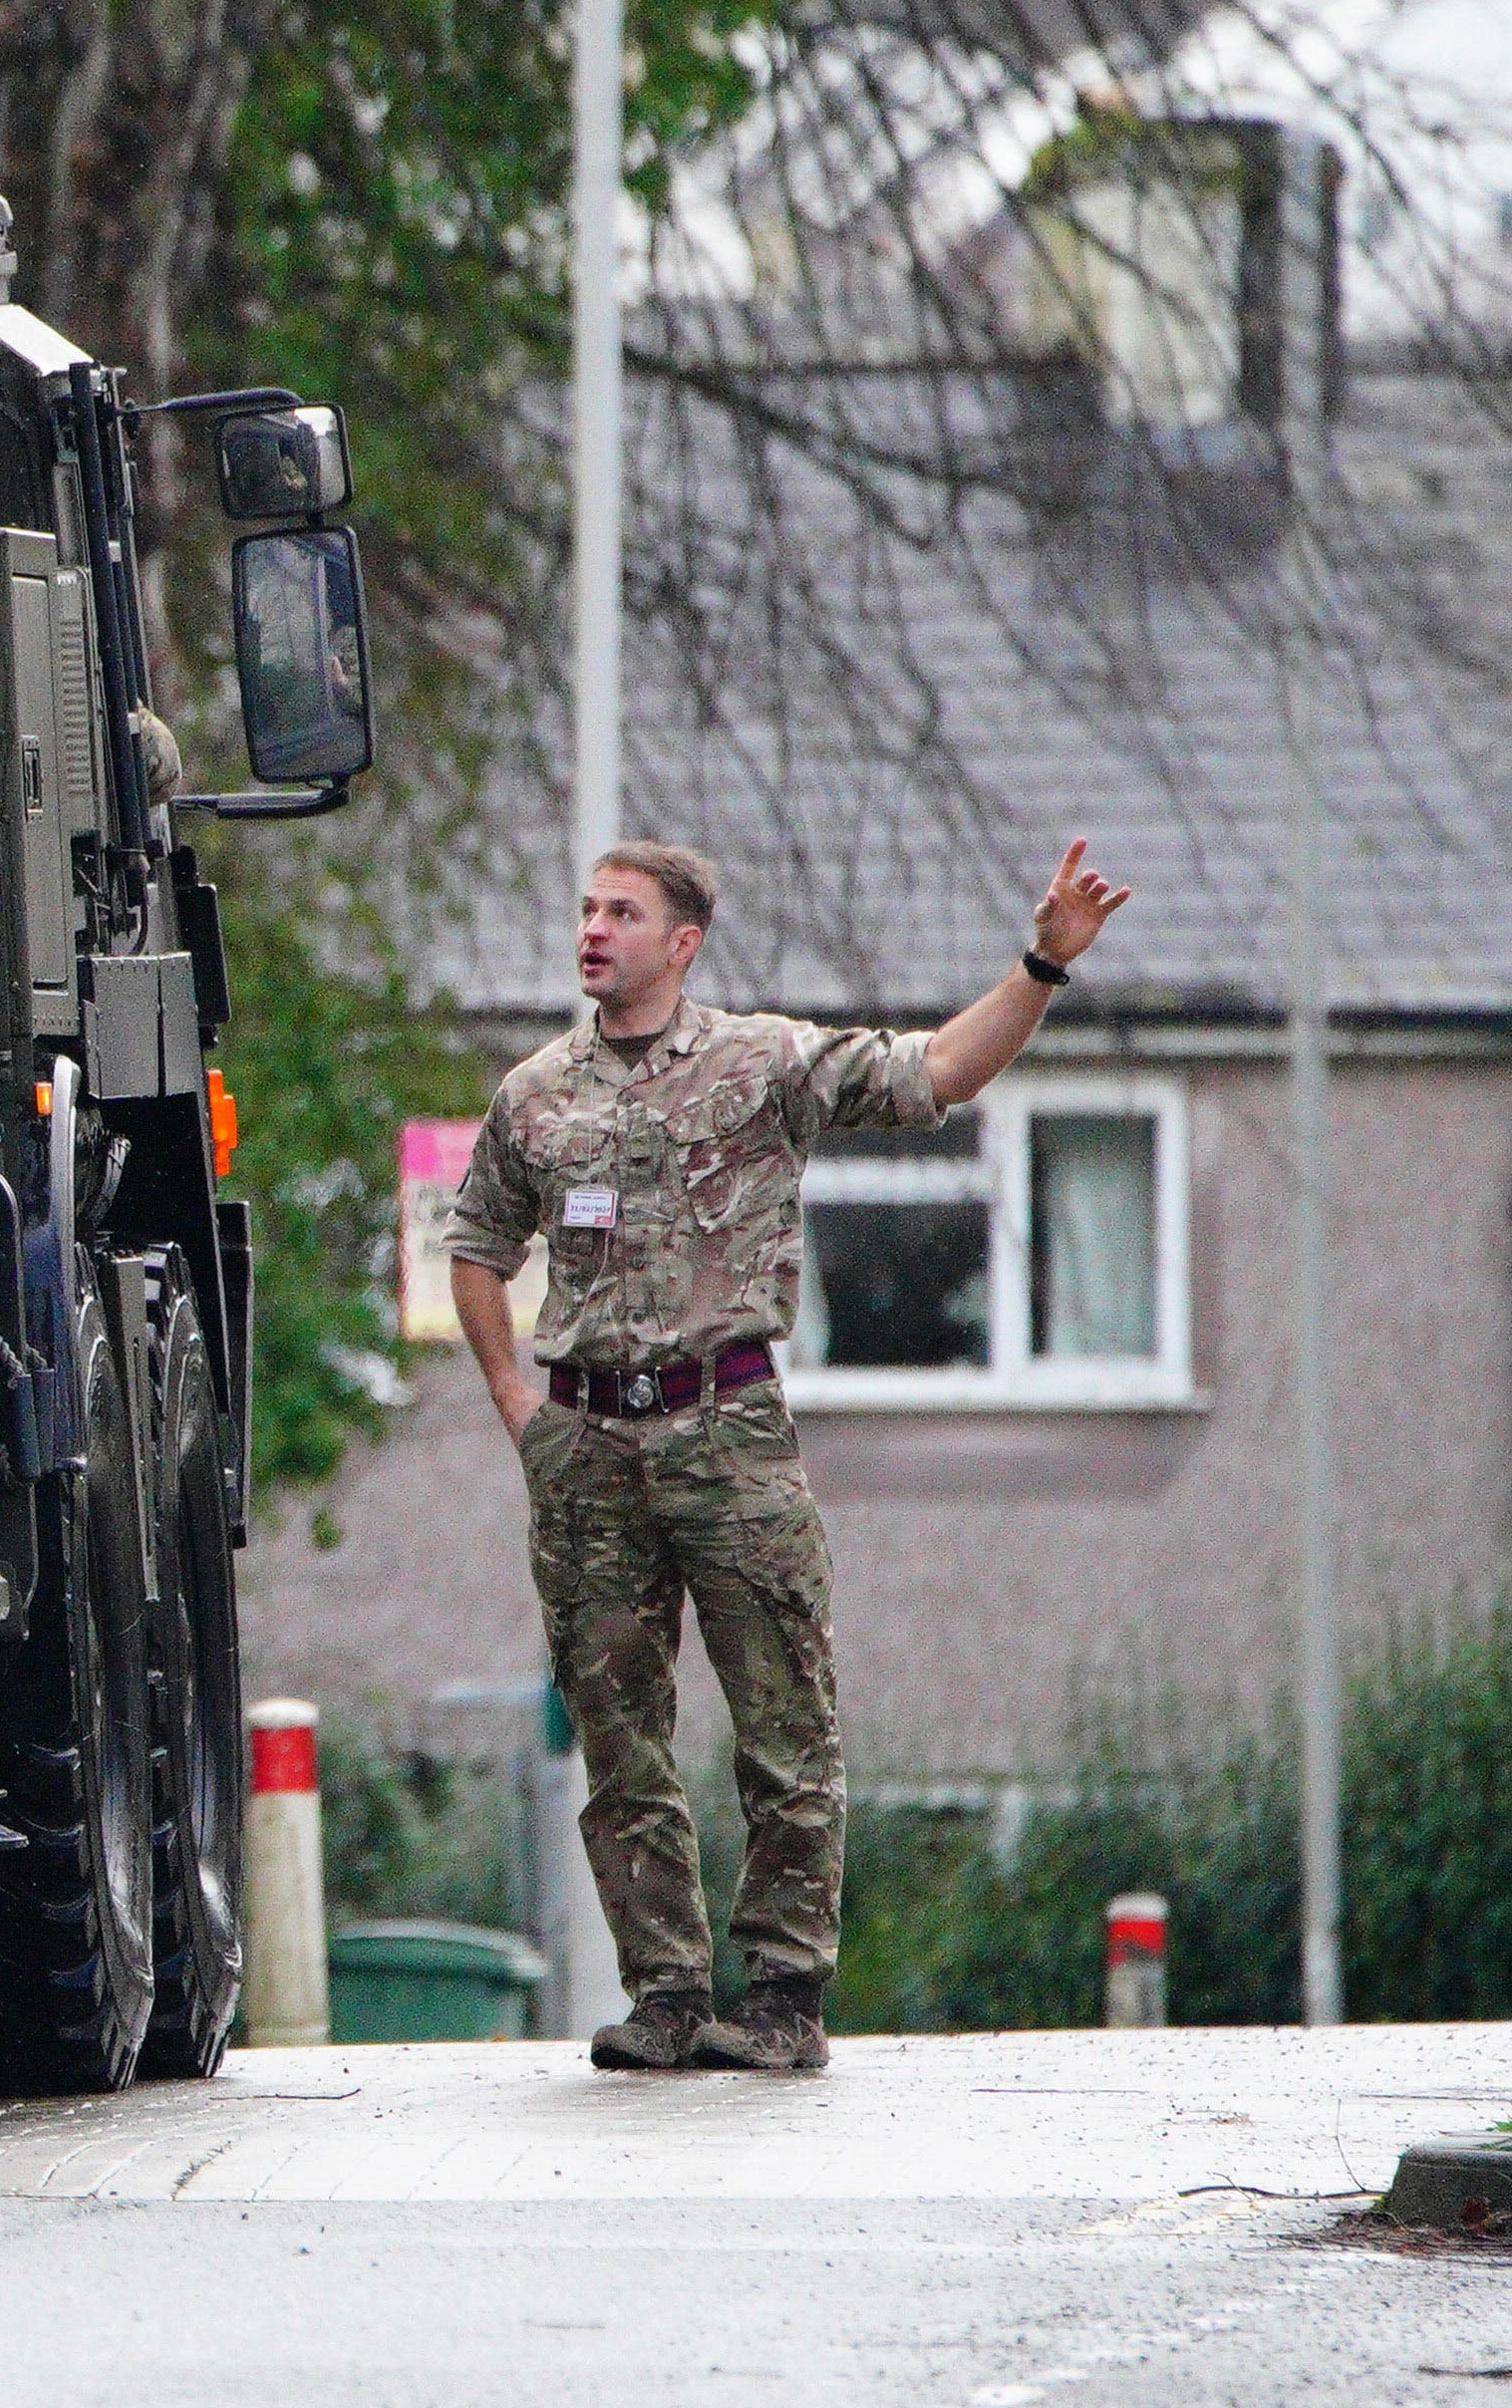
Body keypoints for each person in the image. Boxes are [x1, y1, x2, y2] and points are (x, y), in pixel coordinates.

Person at [440, 836, 1133, 2076]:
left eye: (622, 913)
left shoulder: (762, 1062)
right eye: (587, 908)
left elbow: (941, 1072)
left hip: (730, 1428)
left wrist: (1040, 965)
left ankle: (780, 1995)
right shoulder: (536, 1092)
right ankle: (661, 1989)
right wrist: (517, 1404)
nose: (593, 929)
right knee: (618, 1729)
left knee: (785, 1718)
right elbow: (478, 1243)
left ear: (682, 941)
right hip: (588, 1443)